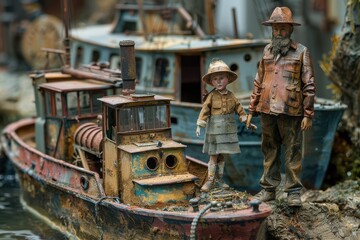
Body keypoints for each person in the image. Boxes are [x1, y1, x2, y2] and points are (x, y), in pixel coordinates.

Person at [246, 7, 315, 207]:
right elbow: (258, 82)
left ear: (290, 29)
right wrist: (252, 110)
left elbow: (309, 84)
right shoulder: (267, 51)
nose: (278, 32)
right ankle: (268, 189)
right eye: (276, 28)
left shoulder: (301, 52)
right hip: (267, 109)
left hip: (291, 110)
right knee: (269, 149)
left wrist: (308, 114)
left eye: (282, 28)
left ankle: (293, 192)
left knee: (293, 151)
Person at [196, 59, 255, 192]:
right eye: (215, 79)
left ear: (227, 79)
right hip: (214, 130)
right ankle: (210, 180)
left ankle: (219, 179)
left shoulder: (232, 96)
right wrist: (200, 125)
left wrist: (247, 121)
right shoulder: (211, 96)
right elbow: (205, 110)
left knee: (221, 156)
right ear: (212, 82)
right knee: (213, 155)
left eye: (221, 78)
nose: (218, 81)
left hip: (227, 130)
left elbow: (240, 109)